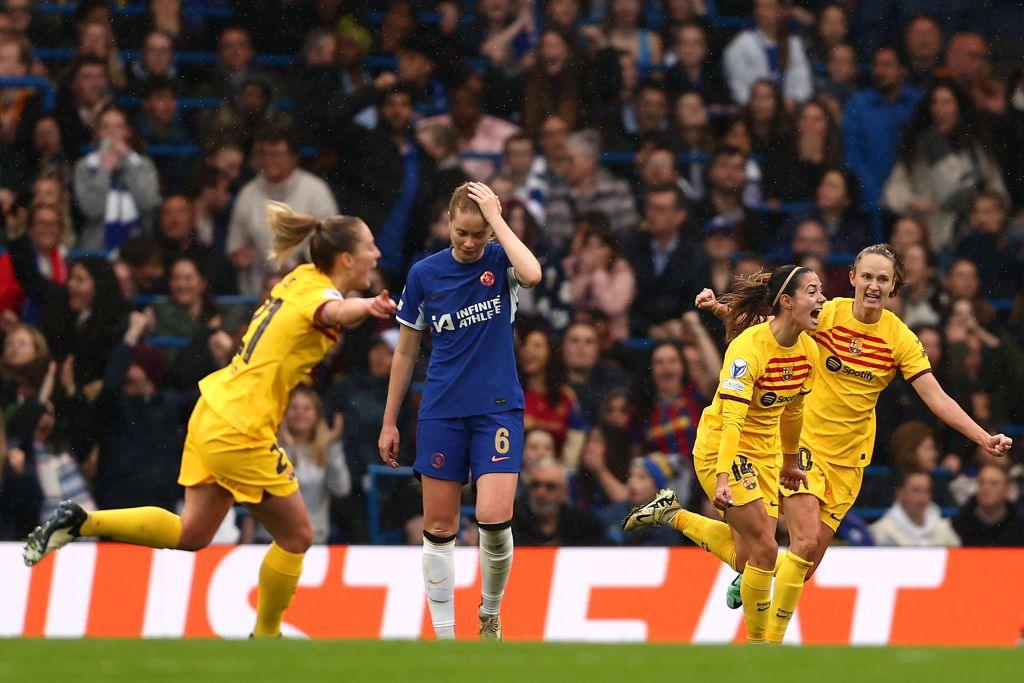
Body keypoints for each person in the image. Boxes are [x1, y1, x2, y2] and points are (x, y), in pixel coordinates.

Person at [24, 201, 398, 642]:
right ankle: (267, 638)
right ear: (348, 259)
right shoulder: (322, 296)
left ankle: (82, 521)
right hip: (241, 424)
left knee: (193, 533)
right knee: (298, 534)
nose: (378, 254)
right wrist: (367, 306)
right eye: (371, 246)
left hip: (215, 406)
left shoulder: (302, 278)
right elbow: (332, 312)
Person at [691, 244, 1011, 614]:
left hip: (850, 457)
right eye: (868, 277)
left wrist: (983, 437)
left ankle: (742, 564)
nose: (874, 286)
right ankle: (766, 641)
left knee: (805, 567)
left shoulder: (900, 339)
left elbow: (936, 398)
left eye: (883, 279)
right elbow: (772, 328)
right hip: (803, 445)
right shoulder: (827, 314)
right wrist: (719, 309)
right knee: (804, 542)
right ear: (853, 278)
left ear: (894, 287)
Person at [625, 263, 825, 644]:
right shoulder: (747, 350)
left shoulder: (808, 353)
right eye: (813, 291)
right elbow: (732, 419)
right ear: (787, 301)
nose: (822, 299)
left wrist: (787, 460)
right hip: (722, 446)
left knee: (750, 559)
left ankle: (672, 514)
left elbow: (795, 411)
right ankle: (759, 648)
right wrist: (720, 478)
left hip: (765, 454)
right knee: (766, 550)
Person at [378, 182, 541, 641]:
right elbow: (406, 353)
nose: (470, 243)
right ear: (448, 224)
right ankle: (446, 639)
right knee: (439, 527)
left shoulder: (501, 260)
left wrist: (499, 220)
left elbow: (533, 275)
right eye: (461, 233)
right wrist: (390, 421)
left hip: (497, 410)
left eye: (478, 233)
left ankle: (490, 611)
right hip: (442, 410)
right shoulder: (424, 274)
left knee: (492, 517)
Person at [227, 127, 338, 296]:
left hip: (308, 292)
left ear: (294, 157)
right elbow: (235, 246)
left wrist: (295, 268)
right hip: (260, 294)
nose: (269, 160)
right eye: (264, 154)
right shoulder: (247, 194)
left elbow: (329, 244)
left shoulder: (316, 191)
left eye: (276, 154)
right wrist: (240, 255)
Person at [72, 106, 162, 251]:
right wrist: (104, 169)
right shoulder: (85, 166)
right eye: (106, 127)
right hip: (96, 249)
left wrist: (128, 162)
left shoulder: (143, 165)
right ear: (98, 133)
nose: (112, 133)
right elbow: (92, 210)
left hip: (139, 249)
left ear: (127, 132)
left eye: (118, 127)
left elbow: (148, 203)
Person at [842, 47, 920, 207]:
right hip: (869, 202)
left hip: (912, 200)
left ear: (903, 70)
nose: (880, 71)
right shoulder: (858, 104)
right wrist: (875, 194)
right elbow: (852, 155)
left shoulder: (918, 103)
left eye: (887, 65)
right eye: (877, 65)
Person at [277, 386, 350, 545]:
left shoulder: (328, 450)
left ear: (317, 415)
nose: (300, 413)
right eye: (294, 407)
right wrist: (287, 447)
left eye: (306, 408)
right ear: (284, 413)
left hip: (314, 539)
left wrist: (331, 448)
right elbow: (277, 487)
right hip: (273, 537)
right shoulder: (272, 447)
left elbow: (341, 489)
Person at [723, 0, 812, 105]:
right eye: (758, 7)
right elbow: (739, 87)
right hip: (754, 110)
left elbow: (802, 80)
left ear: (782, 11)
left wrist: (794, 100)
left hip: (789, 109)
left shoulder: (793, 43)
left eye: (767, 7)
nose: (761, 12)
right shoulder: (740, 45)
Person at [869, 471, 961, 547]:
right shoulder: (882, 531)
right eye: (916, 490)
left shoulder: (943, 529)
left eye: (926, 491)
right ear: (900, 493)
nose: (922, 497)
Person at [953, 464, 1024, 546]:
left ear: (1007, 489)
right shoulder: (958, 525)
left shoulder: (1020, 527)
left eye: (993, 483)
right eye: (981, 482)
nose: (985, 488)